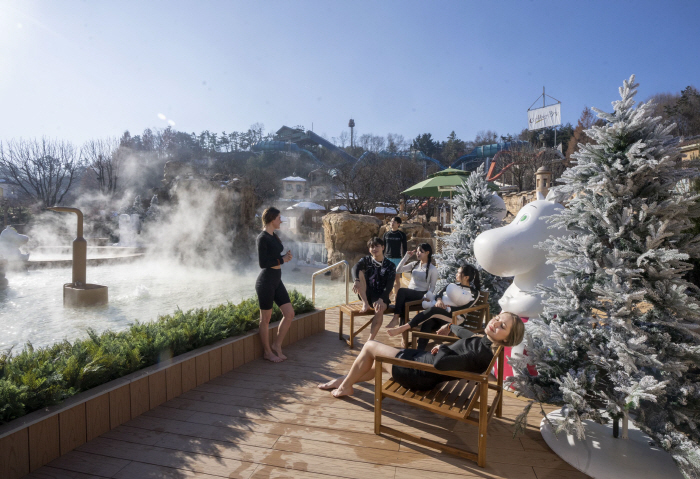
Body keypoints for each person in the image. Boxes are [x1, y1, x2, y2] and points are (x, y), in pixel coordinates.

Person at [318, 311, 524, 397]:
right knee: (373, 365)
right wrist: (452, 327)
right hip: (419, 365)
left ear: (507, 338)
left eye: (502, 325)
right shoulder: (487, 345)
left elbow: (441, 364)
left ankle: (345, 386)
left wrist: (441, 348)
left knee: (370, 346)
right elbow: (469, 335)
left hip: (417, 373)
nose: (495, 322)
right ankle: (344, 380)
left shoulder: (480, 352)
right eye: (497, 317)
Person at [387, 262, 480, 350]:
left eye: (459, 273)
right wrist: (439, 300)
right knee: (428, 322)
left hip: (455, 319)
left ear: (466, 277)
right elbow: (439, 294)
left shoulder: (474, 293)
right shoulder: (452, 285)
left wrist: (447, 308)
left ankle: (404, 327)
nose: (456, 274)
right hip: (440, 315)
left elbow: (465, 307)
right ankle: (420, 352)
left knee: (433, 310)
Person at [255, 207, 295, 363]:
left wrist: (285, 257)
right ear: (272, 219)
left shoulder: (274, 236)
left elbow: (275, 256)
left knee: (289, 313)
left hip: (277, 279)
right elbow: (263, 263)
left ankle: (277, 345)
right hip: (265, 281)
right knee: (265, 319)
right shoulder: (262, 238)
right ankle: (267, 352)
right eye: (279, 218)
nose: (281, 221)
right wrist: (282, 260)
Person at [352, 237, 397, 341]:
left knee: (379, 309)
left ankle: (370, 340)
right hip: (367, 293)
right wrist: (356, 280)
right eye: (372, 247)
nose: (374, 249)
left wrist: (382, 299)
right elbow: (354, 268)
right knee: (358, 272)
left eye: (377, 246)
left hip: (382, 295)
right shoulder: (366, 260)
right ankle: (365, 303)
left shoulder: (390, 265)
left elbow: (390, 285)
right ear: (369, 250)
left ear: (383, 247)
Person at [384, 243, 438, 330]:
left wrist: (427, 296)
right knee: (403, 304)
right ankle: (403, 335)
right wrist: (406, 257)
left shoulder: (432, 269)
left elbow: (432, 286)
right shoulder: (414, 264)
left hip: (421, 294)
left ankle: (395, 318)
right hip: (410, 293)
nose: (418, 253)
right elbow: (398, 270)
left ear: (427, 253)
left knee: (401, 291)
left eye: (420, 251)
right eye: (417, 251)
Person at [383, 216, 407, 298]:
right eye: (391, 221)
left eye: (394, 222)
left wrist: (404, 260)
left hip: (397, 259)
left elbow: (405, 248)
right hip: (387, 259)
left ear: (398, 224)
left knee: (397, 279)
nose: (392, 223)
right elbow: (383, 248)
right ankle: (388, 295)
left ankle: (397, 296)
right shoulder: (386, 234)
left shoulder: (401, 235)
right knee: (387, 279)